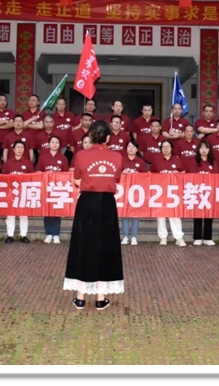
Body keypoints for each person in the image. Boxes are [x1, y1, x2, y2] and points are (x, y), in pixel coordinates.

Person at [64, 120, 125, 311]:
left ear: (90, 136)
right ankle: (100, 297)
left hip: (87, 203)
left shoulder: (81, 155)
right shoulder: (116, 156)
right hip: (107, 203)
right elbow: (116, 178)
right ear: (108, 137)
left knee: (83, 245)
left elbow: (76, 180)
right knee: (105, 246)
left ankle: (80, 297)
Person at [151, 140, 186, 246]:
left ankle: (178, 237)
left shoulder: (177, 159)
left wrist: (178, 173)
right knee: (160, 215)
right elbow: (150, 173)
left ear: (171, 148)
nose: (165, 148)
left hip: (174, 191)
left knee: (175, 214)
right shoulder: (157, 159)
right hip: (160, 191)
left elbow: (183, 172)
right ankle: (163, 237)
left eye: (167, 146)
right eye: (163, 146)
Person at [37, 136, 70, 244]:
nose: (54, 144)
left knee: (57, 212)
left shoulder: (63, 158)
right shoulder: (43, 157)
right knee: (47, 212)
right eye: (52, 142)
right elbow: (38, 171)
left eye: (57, 142)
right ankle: (48, 234)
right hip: (46, 188)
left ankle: (56, 234)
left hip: (58, 189)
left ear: (60, 145)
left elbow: (66, 174)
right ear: (48, 144)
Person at [3, 141, 34, 244]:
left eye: (22, 147)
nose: (20, 149)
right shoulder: (8, 163)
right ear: (13, 149)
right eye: (18, 147)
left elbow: (32, 178)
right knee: (10, 214)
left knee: (23, 214)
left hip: (24, 192)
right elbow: (3, 177)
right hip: (11, 191)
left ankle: (23, 235)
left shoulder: (28, 163)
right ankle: (10, 235)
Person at [189, 141, 218, 246]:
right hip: (197, 191)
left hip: (209, 192)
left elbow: (216, 177)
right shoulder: (194, 161)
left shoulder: (213, 162)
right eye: (202, 148)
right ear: (199, 150)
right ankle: (197, 237)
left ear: (209, 150)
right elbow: (192, 176)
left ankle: (207, 237)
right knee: (197, 215)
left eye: (206, 148)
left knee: (209, 215)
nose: (204, 150)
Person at [120, 140, 146, 245]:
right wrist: (122, 173)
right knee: (125, 214)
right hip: (124, 191)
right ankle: (125, 236)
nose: (131, 149)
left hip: (136, 192)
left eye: (133, 147)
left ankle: (134, 237)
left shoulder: (141, 162)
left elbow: (146, 177)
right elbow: (116, 174)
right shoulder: (121, 160)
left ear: (137, 149)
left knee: (135, 214)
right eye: (129, 147)